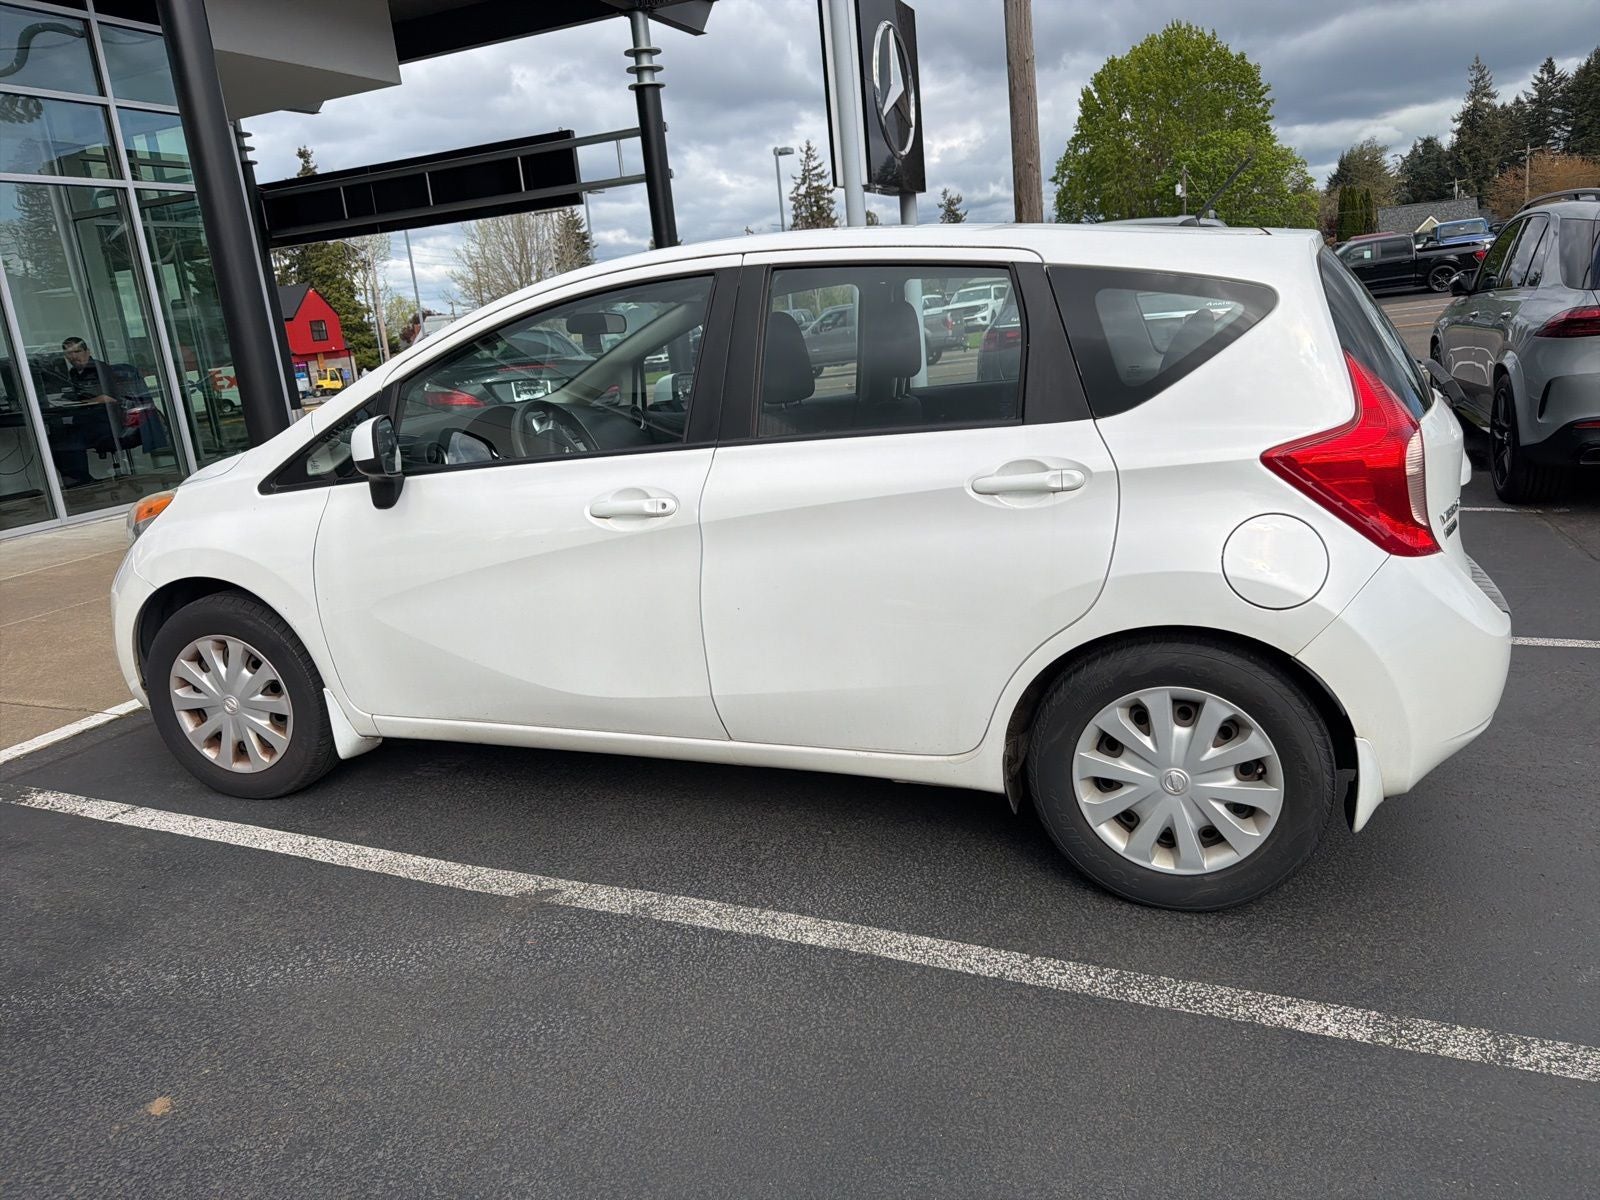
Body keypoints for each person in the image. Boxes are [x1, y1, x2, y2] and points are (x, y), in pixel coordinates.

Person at [49, 337, 163, 486]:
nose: (74, 356)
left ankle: (81, 482)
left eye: (77, 351)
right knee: (55, 437)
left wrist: (81, 402)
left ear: (87, 351)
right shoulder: (74, 373)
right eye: (69, 353)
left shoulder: (99, 369)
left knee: (69, 441)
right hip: (89, 420)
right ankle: (78, 481)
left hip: (110, 422)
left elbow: (109, 398)